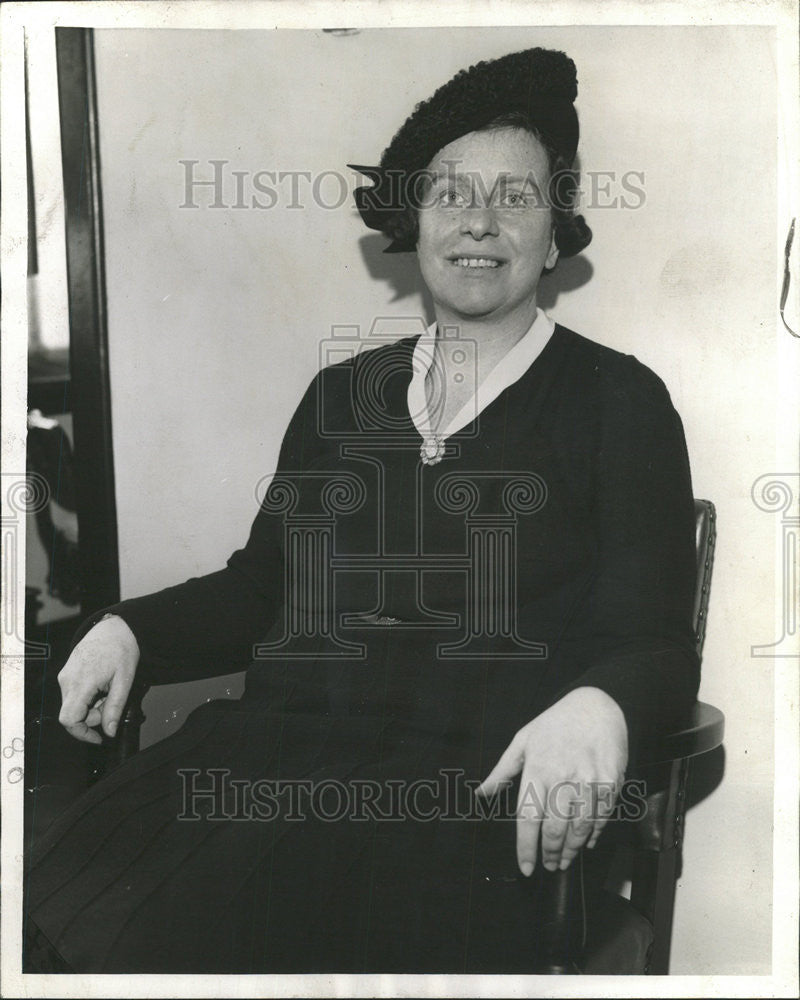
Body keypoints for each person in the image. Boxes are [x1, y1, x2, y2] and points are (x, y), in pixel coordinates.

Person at [24, 46, 699, 974]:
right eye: (452, 192)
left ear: (556, 233)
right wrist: (128, 629)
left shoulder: (620, 403)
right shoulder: (343, 397)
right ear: (410, 221)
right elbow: (260, 586)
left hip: (465, 804)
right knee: (60, 905)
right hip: (273, 767)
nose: (481, 222)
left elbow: (654, 638)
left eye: (518, 195)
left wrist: (600, 704)